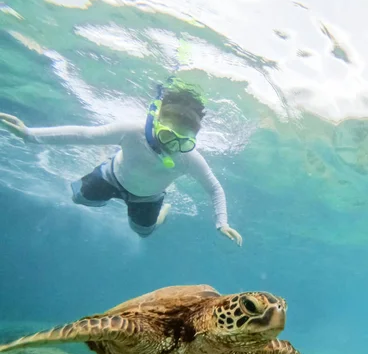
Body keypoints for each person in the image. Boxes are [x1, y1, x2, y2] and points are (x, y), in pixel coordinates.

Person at [0, 77, 242, 245]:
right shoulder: (132, 131)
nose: (171, 147)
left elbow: (214, 188)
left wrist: (222, 223)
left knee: (143, 233)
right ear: (155, 123)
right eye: (167, 135)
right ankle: (102, 168)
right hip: (111, 177)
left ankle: (163, 211)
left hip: (148, 197)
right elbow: (85, 135)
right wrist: (29, 135)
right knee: (78, 198)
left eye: (182, 141)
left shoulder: (189, 159)